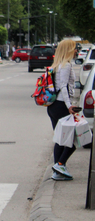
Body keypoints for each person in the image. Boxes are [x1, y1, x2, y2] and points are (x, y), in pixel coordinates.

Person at [47, 38, 80, 181]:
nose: (76, 50)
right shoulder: (65, 66)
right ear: (68, 50)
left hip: (53, 107)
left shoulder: (57, 65)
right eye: (74, 48)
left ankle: (57, 170)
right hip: (61, 106)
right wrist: (69, 106)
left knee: (60, 140)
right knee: (72, 140)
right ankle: (60, 165)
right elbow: (64, 88)